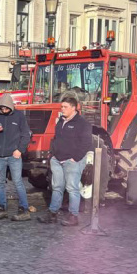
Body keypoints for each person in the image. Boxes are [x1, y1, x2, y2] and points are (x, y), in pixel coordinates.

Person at [38, 96, 91, 226]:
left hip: (72, 161)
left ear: (74, 108)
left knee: (72, 188)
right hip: (57, 160)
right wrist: (53, 155)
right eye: (62, 107)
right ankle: (53, 214)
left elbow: (86, 142)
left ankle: (73, 216)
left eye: (65, 107)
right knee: (57, 187)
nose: (62, 109)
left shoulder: (82, 123)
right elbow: (56, 139)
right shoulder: (60, 121)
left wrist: (76, 158)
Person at [0, 94, 32, 221]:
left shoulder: (19, 116)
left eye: (6, 108)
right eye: (2, 108)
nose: (4, 110)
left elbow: (26, 135)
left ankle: (24, 210)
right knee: (0, 184)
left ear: (10, 107)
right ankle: (2, 209)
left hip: (14, 156)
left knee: (18, 182)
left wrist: (19, 150)